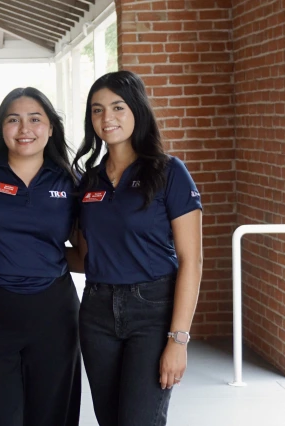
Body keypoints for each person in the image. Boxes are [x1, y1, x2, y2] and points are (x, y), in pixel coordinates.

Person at [71, 70, 203, 426]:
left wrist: (179, 340)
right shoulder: (89, 181)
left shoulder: (169, 172)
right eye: (97, 110)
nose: (107, 118)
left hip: (153, 311)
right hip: (96, 311)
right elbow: (85, 254)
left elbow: (192, 260)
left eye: (117, 107)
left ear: (137, 111)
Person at [0, 87, 81, 426]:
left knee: (52, 416)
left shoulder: (69, 178)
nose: (25, 129)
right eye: (14, 119)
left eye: (35, 119)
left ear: (50, 128)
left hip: (54, 316)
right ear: (0, 127)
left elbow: (84, 252)